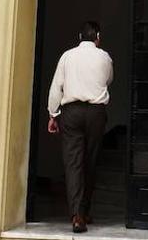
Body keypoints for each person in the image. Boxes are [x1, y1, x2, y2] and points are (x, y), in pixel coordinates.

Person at [47, 21, 113, 233]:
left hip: (72, 113)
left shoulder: (67, 56)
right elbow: (109, 79)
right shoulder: (104, 57)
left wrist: (52, 114)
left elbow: (57, 86)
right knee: (90, 162)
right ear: (98, 37)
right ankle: (84, 211)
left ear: (79, 37)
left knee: (73, 163)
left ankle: (77, 215)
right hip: (96, 113)